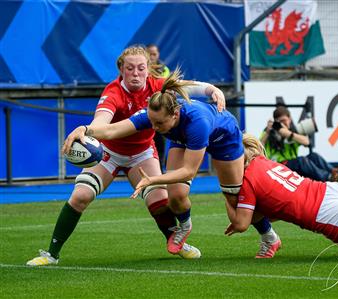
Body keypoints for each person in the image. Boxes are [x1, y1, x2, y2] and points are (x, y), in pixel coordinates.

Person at [26, 45, 227, 266]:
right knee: (80, 196)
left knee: (160, 203)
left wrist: (212, 90)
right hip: (108, 153)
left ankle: (176, 240)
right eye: (130, 68)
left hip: (142, 153)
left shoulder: (157, 86)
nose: (136, 73)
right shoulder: (113, 92)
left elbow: (189, 87)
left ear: (148, 68)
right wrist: (86, 129)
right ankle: (51, 254)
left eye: (141, 68)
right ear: (121, 69)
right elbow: (103, 124)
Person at [60, 68, 282, 259]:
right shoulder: (156, 113)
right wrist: (85, 129)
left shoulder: (198, 123)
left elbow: (189, 171)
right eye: (151, 122)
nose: (153, 128)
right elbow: (112, 129)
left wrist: (152, 180)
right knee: (175, 196)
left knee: (238, 215)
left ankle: (269, 236)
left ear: (175, 115)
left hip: (224, 139)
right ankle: (184, 226)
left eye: (159, 124)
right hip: (182, 139)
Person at [260, 105, 338, 187]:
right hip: (278, 167)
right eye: (279, 122)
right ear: (275, 122)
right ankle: (330, 178)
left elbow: (307, 142)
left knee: (314, 156)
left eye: (284, 120)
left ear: (290, 119)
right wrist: (268, 131)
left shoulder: (292, 132)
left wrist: (288, 134)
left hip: (293, 166)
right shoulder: (269, 133)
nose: (283, 124)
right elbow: (259, 146)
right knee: (301, 161)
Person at [146, 44, 169, 169]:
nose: (152, 56)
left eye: (154, 54)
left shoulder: (164, 69)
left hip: (159, 111)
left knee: (160, 142)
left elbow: (164, 88)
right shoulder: (141, 69)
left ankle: (160, 170)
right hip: (145, 111)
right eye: (149, 53)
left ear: (158, 54)